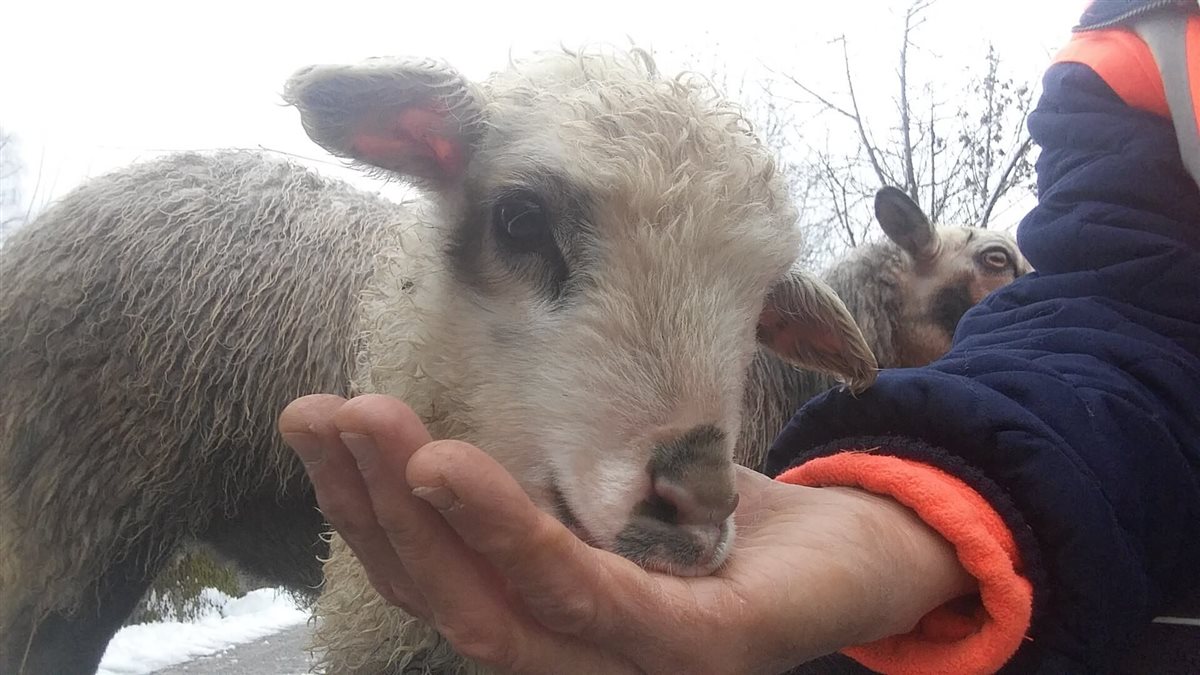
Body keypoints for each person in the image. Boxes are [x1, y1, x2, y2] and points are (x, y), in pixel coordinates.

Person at [278, 1, 1200, 672]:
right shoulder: (1145, 47)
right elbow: (1130, 300)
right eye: (525, 225)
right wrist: (933, 501)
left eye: (754, 294)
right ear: (422, 141)